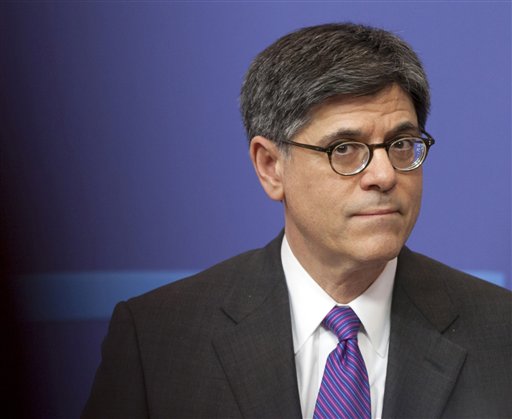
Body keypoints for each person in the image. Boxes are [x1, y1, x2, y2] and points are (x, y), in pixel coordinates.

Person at [83, 23, 511, 418]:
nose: (384, 175)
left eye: (401, 143)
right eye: (344, 148)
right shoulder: (158, 338)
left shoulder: (501, 334)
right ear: (270, 166)